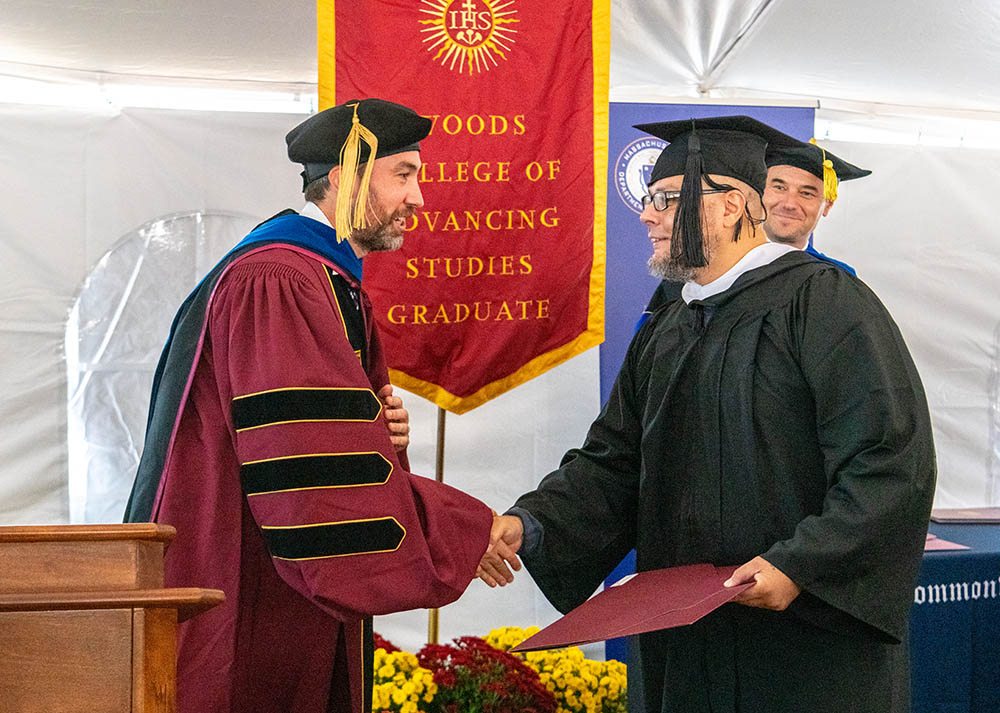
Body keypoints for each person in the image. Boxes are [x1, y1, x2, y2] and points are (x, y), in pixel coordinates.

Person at [479, 116, 936, 713]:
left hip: (800, 646)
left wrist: (798, 566)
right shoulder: (670, 324)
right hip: (685, 636)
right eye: (649, 200)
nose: (647, 216)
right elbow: (614, 461)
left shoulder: (825, 302)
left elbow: (889, 460)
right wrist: (532, 524)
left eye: (667, 199)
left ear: (731, 206)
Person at [124, 98, 493, 713]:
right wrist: (456, 529)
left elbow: (317, 427)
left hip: (278, 563)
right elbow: (306, 461)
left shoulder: (317, 275)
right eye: (403, 175)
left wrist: (375, 431)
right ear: (347, 178)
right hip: (247, 568)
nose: (419, 198)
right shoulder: (277, 279)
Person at [763, 138, 871, 275]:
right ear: (759, 192)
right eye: (779, 188)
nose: (789, 204)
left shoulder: (835, 279)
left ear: (828, 205)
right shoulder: (730, 264)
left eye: (806, 193)